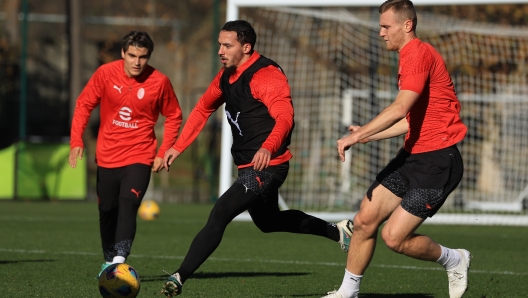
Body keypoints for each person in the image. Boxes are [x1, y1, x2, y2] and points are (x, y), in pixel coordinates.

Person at [160, 20, 353, 297]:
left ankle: (179, 277)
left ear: (246, 47)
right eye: (219, 45)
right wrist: (178, 147)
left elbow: (285, 117)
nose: (220, 51)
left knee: (220, 212)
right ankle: (337, 231)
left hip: (270, 165)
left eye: (227, 45)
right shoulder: (226, 76)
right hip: (249, 165)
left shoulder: (266, 75)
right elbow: (202, 108)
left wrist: (268, 147)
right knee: (268, 222)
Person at [323, 1, 471, 298]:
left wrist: (360, 133)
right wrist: (367, 136)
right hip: (412, 157)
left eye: (386, 26)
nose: (381, 33)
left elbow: (400, 107)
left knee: (394, 237)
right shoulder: (408, 57)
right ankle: (347, 292)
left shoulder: (417, 53)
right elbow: (409, 120)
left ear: (407, 25)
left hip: (438, 162)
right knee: (364, 219)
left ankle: (455, 259)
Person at [68, 31, 182, 277]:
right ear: (123, 53)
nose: (137, 62)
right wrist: (76, 139)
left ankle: (118, 263)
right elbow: (84, 104)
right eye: (132, 55)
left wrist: (163, 151)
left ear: (148, 57)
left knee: (128, 205)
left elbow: (173, 115)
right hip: (107, 156)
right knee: (107, 211)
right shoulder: (105, 74)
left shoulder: (160, 82)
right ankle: (109, 261)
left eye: (142, 57)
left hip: (140, 156)